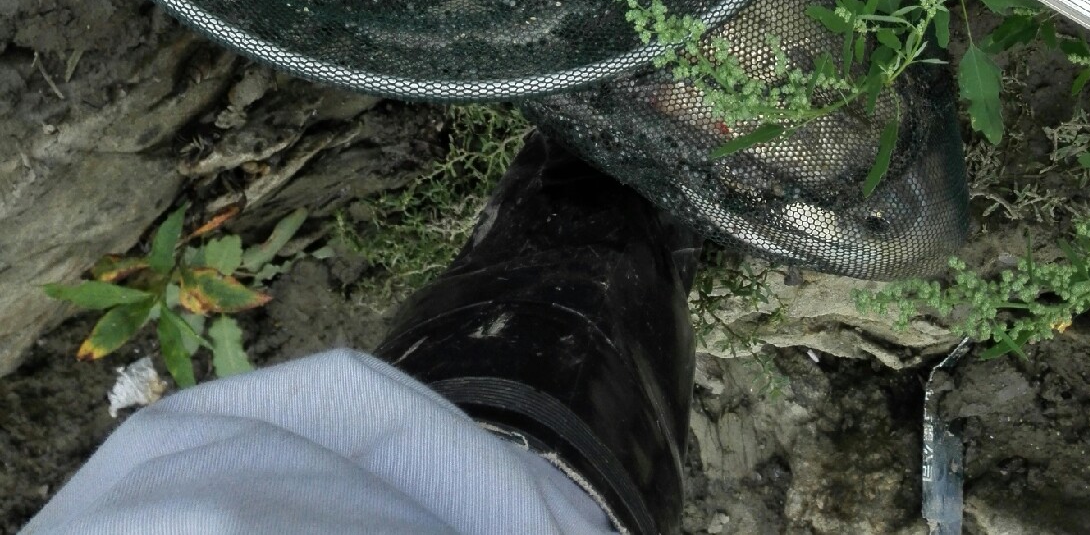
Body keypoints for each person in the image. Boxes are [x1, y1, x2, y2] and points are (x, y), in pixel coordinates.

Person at [25, 134, 700, 535]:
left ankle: (632, 149)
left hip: (413, 443)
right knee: (614, 226)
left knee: (571, 216)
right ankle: (668, 143)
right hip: (527, 469)